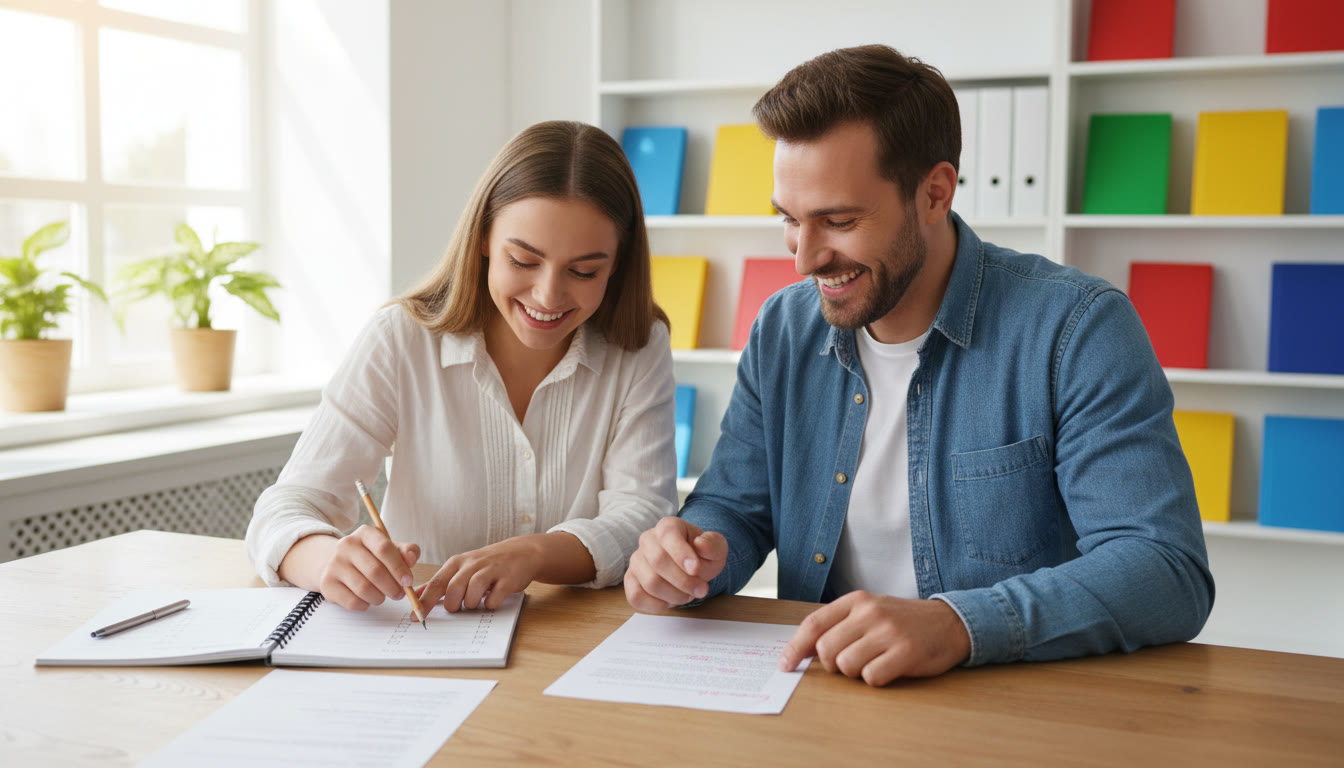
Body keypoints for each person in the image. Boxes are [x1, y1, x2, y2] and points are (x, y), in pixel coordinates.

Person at [624, 45, 1214, 686]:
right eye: (789, 220)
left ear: (935, 192)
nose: (804, 259)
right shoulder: (783, 329)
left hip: (1013, 705)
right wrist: (688, 554)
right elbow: (737, 509)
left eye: (840, 220)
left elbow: (1164, 567)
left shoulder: (1077, 329)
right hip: (826, 693)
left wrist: (958, 624)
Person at [247, 120, 678, 615]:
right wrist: (326, 560)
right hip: (422, 641)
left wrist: (535, 553)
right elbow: (284, 509)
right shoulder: (401, 338)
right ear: (484, 240)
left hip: (573, 641)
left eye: (584, 271)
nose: (548, 295)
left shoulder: (639, 347)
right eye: (523, 260)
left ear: (618, 266)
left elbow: (642, 517)